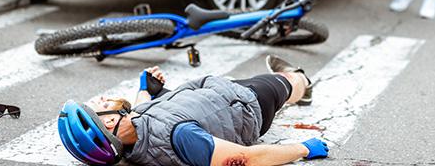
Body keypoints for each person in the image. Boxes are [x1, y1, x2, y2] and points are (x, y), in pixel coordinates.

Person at [57, 55, 329, 166]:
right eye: (102, 106)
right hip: (251, 103)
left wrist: (147, 88)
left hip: (216, 93)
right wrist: (304, 148)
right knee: (289, 83)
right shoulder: (181, 137)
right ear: (110, 125)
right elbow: (247, 159)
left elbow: (141, 110)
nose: (104, 98)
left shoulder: (134, 134)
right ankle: (301, 80)